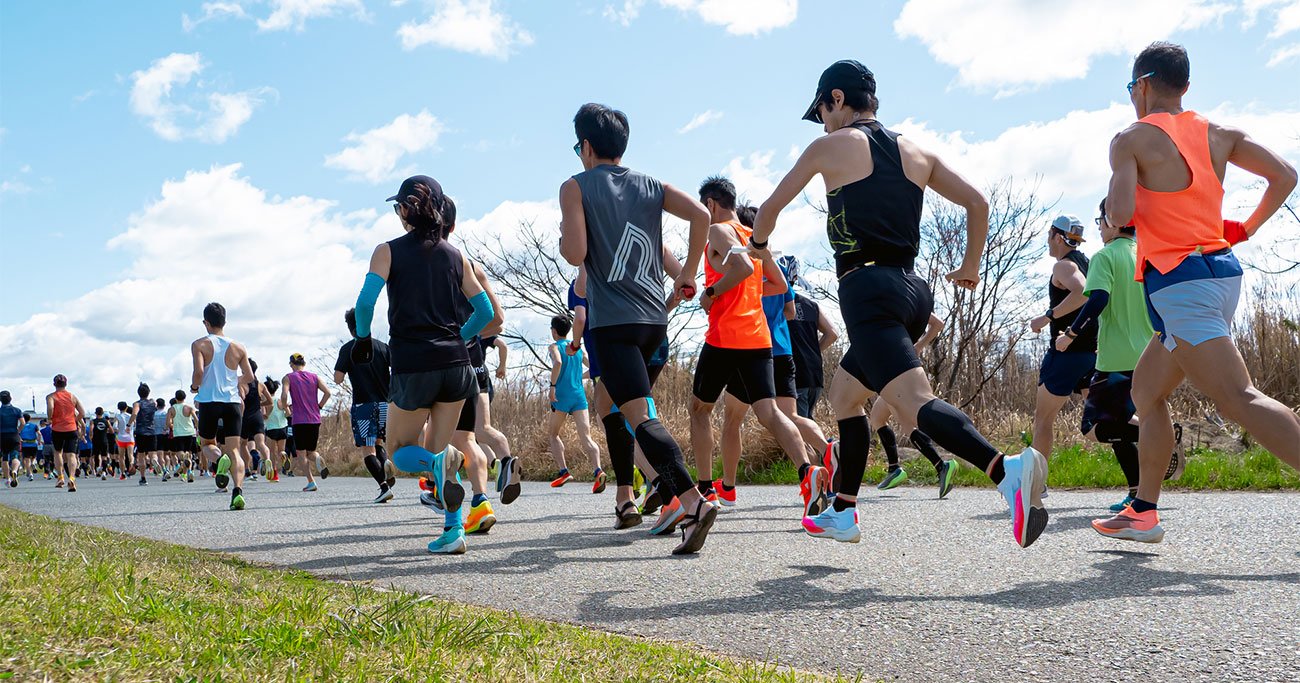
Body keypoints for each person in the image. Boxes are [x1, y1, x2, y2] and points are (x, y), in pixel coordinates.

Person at [754, 60, 1046, 548]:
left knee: (914, 402)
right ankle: (843, 511)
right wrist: (970, 264)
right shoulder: (915, 150)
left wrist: (759, 247)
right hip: (911, 290)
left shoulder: (830, 146)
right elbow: (978, 202)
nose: (822, 121)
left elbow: (767, 212)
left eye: (822, 110)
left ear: (838, 99)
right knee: (845, 396)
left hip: (868, 292)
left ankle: (1005, 471)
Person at [1093, 42, 1299, 542]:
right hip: (1220, 272)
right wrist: (1244, 229)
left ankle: (1144, 509)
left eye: (1130, 89)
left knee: (1238, 396)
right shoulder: (1219, 134)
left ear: (1142, 85)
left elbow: (1119, 216)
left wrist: (1131, 186)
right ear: (1183, 86)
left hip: (1181, 283)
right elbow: (1285, 175)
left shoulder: (1131, 139)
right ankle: (1143, 510)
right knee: (1145, 389)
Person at [559, 103, 719, 554]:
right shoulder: (652, 184)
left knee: (639, 418)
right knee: (621, 408)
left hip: (614, 326)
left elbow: (574, 253)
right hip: (655, 323)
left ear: (586, 146)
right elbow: (702, 217)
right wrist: (688, 273)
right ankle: (640, 498)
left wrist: (564, 231)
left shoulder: (575, 187)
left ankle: (691, 502)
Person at [352, 174, 495, 554]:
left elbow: (365, 303)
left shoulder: (388, 251)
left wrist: (364, 339)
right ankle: (453, 532)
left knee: (400, 451)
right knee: (442, 449)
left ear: (405, 211)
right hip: (457, 366)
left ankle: (439, 469)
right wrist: (459, 337)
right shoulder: (456, 254)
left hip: (414, 365)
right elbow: (484, 311)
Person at [1059, 198, 1183, 512]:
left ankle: (1161, 437)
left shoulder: (1105, 256)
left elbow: (1098, 298)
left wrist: (1070, 334)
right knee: (1122, 422)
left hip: (1114, 359)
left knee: (1094, 428)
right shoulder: (1145, 254)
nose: (1099, 227)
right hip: (1149, 353)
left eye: (1100, 221)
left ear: (1114, 221)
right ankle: (1136, 490)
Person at [707, 201, 832, 512]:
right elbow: (789, 309)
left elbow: (730, 292)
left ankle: (730, 486)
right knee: (787, 417)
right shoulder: (771, 264)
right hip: (781, 349)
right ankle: (826, 454)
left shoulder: (742, 264)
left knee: (732, 419)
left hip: (750, 347)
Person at [1027, 215, 1098, 463]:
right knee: (1096, 425)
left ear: (1058, 236)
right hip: (1093, 353)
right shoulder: (1087, 262)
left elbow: (1083, 292)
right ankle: (1150, 431)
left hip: (1067, 351)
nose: (1047, 241)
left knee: (1043, 419)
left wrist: (1047, 317)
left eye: (1049, 235)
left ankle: (1038, 484)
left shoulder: (1064, 266)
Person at [868, 313, 960, 498]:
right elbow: (937, 324)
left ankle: (941, 466)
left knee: (907, 422)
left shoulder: (900, 299)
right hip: (894, 367)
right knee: (877, 417)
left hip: (898, 368)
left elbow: (938, 324)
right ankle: (894, 468)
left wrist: (918, 346)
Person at [190, 302, 255, 509]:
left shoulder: (199, 344)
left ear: (206, 323)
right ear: (225, 321)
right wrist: (233, 381)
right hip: (232, 402)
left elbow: (199, 373)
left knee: (207, 444)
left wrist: (194, 386)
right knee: (235, 450)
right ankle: (238, 492)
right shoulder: (239, 347)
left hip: (209, 401)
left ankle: (219, 461)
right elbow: (249, 377)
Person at [336, 309, 397, 503]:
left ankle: (383, 487)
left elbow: (338, 379)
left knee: (367, 448)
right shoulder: (382, 347)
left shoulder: (348, 349)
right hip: (385, 404)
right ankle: (386, 463)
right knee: (379, 442)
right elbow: (396, 369)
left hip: (364, 405)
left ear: (350, 327)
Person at [545, 314, 603, 490]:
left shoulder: (554, 346)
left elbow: (558, 363)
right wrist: (580, 376)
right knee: (586, 437)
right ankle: (598, 471)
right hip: (579, 396)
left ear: (554, 331)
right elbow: (593, 366)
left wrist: (552, 386)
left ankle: (564, 471)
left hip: (561, 396)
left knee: (553, 434)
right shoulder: (576, 347)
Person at [781, 256, 838, 419]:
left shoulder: (778, 304)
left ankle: (826, 445)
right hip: (814, 374)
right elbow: (832, 334)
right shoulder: (811, 305)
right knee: (807, 421)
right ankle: (825, 445)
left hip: (795, 374)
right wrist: (813, 351)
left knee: (799, 426)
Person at [282, 353, 331, 492]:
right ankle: (318, 458)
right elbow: (327, 392)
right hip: (315, 419)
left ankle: (311, 482)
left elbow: (284, 395)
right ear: (303, 364)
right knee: (311, 452)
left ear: (292, 364)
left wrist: (286, 408)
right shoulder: (314, 377)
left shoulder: (288, 377)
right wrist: (319, 406)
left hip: (299, 420)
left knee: (301, 453)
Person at [45, 375, 86, 492]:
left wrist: (50, 418)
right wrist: (75, 420)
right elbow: (82, 412)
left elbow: (50, 407)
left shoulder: (51, 396)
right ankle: (72, 477)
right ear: (66, 384)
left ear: (54, 384)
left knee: (58, 453)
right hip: (71, 428)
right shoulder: (72, 396)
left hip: (57, 429)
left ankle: (60, 477)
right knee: (71, 455)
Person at [239, 359, 272, 482]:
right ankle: (267, 459)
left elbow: (241, 399)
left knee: (243, 444)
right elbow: (269, 401)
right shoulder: (260, 384)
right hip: (257, 416)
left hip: (245, 417)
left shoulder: (240, 382)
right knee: (261, 443)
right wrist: (259, 403)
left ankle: (247, 471)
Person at [168, 390, 199, 483]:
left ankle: (186, 472)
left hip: (178, 433)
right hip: (190, 432)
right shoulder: (189, 408)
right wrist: (197, 429)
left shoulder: (172, 409)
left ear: (176, 398)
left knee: (180, 453)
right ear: (184, 397)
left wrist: (172, 425)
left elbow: (168, 423)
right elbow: (196, 420)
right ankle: (188, 473)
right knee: (189, 454)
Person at [132, 383, 158, 485]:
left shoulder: (137, 404)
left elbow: (134, 413)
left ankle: (143, 478)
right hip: (152, 431)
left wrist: (129, 424)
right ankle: (154, 461)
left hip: (140, 432)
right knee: (153, 453)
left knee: (141, 455)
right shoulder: (153, 403)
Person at [261, 380, 287, 483]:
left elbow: (265, 415)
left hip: (271, 429)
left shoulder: (267, 402)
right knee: (281, 450)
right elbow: (287, 413)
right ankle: (284, 454)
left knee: (272, 453)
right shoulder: (280, 400)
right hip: (283, 428)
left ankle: (274, 475)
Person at [2, 392, 26, 487]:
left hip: (2, 436)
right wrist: (18, 431)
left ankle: (7, 479)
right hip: (14, 435)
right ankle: (15, 471)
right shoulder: (16, 410)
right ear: (10, 398)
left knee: (4, 458)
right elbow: (23, 423)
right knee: (15, 456)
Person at [90, 407, 112, 478]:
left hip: (96, 440)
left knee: (96, 456)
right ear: (102, 413)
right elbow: (112, 431)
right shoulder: (106, 421)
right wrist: (106, 431)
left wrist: (91, 436)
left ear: (95, 413)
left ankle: (98, 469)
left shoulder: (93, 421)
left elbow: (91, 430)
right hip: (104, 440)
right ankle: (104, 472)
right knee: (104, 457)